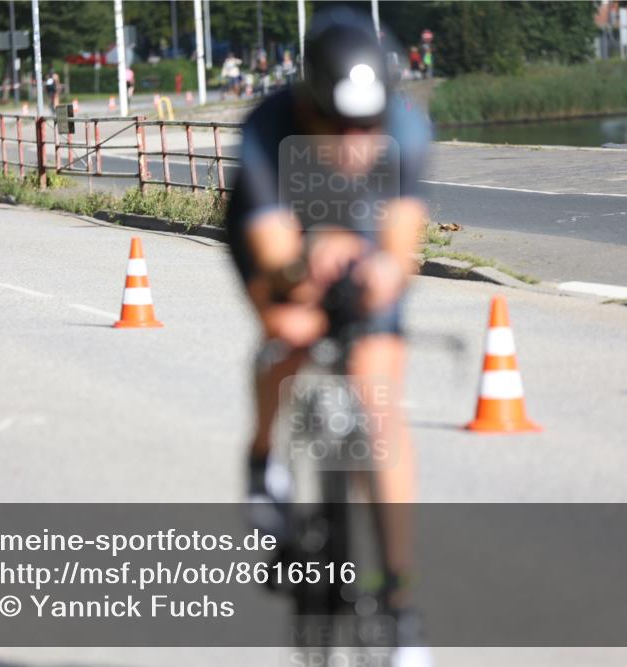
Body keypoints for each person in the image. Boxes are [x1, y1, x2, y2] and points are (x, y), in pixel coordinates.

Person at [225, 8, 431, 662]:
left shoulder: (405, 129)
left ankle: (398, 602)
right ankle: (265, 462)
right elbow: (276, 255)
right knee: (289, 332)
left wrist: (372, 276)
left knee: (379, 397)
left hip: (362, 239)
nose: (352, 141)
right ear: (308, 105)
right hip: (283, 236)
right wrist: (304, 268)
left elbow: (398, 254)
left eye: (365, 128)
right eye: (337, 126)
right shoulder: (269, 129)